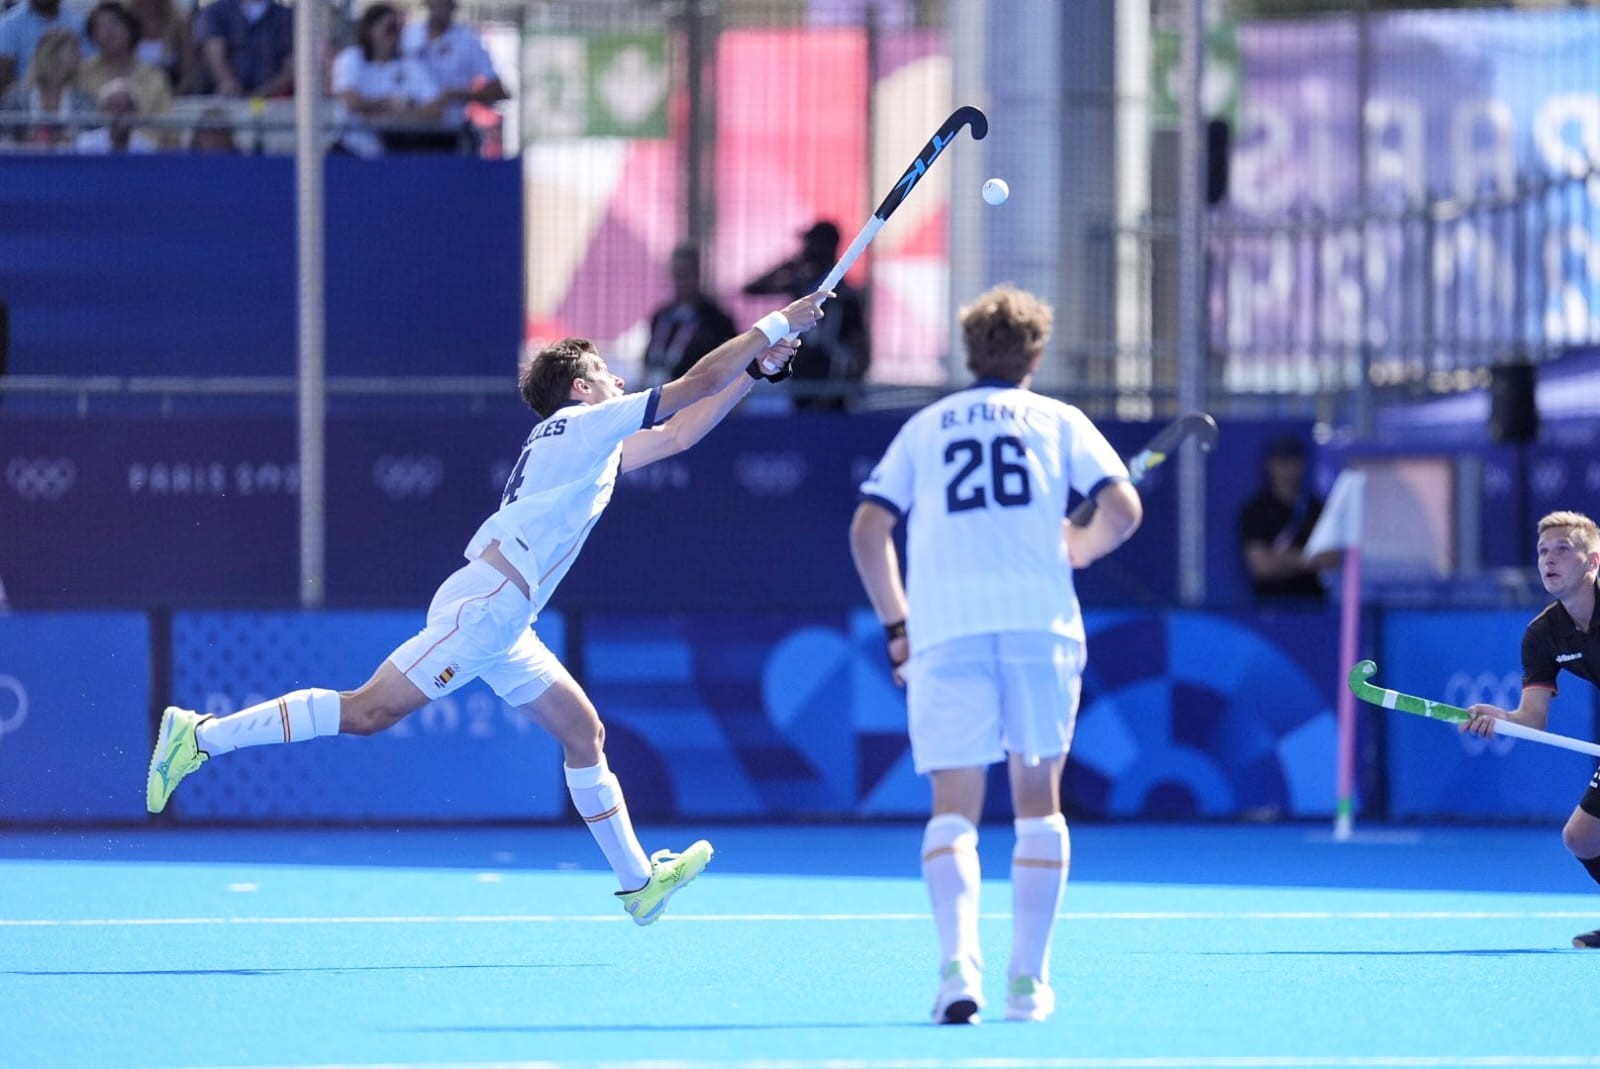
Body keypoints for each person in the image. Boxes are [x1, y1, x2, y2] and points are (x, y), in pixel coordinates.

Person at [146, 289, 830, 926]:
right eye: (604, 371)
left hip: (508, 618)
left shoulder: (591, 446)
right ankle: (201, 735)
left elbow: (682, 431)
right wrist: (773, 323)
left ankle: (637, 884)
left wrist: (759, 370)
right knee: (368, 711)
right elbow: (689, 387)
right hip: (489, 605)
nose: (620, 378)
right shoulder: (583, 423)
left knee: (582, 731)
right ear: (581, 387)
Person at [847, 284, 1142, 1025]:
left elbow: (867, 529)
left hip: (945, 632)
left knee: (955, 808)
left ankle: (956, 971)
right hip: (1040, 628)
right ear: (1036, 354)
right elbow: (1124, 508)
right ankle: (1029, 983)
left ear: (967, 350)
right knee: (1039, 803)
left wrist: (896, 625)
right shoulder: (1060, 419)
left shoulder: (925, 427)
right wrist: (1078, 545)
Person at [1460, 510, 1600, 948]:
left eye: (1563, 550)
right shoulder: (1542, 635)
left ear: (1592, 561)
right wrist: (1501, 720)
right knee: (1581, 838)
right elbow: (1533, 719)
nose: (1549, 560)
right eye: (1543, 551)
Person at [743, 220, 870, 410]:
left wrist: (849, 383)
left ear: (826, 247)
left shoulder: (845, 296)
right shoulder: (802, 287)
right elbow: (752, 289)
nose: (805, 249)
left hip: (831, 387)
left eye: (811, 244)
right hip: (800, 379)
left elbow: (860, 346)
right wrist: (786, 266)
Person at [330, 2, 447, 155]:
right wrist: (396, 103)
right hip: (352, 148)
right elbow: (352, 103)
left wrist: (391, 116)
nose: (396, 35)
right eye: (390, 28)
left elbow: (436, 109)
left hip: (396, 151)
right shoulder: (351, 59)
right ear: (370, 29)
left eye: (399, 29)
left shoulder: (411, 66)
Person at [1237, 433, 1332, 601]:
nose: (1286, 469)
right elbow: (1261, 566)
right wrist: (1307, 559)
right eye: (1280, 462)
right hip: (1271, 605)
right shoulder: (1256, 511)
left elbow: (1331, 558)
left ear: (1302, 464)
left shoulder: (1317, 509)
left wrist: (1281, 558)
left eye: (1291, 461)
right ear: (1269, 465)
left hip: (1314, 604)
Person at [400, 0, 506, 139]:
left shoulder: (468, 40)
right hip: (404, 130)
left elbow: (498, 90)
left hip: (452, 132)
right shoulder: (408, 36)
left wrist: (453, 95)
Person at [640, 242, 738, 387]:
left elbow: (733, 362)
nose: (682, 281)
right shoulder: (661, 316)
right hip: (661, 395)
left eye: (687, 274)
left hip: (699, 397)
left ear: (698, 274)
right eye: (678, 274)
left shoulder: (717, 320)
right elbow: (649, 357)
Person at [77, 2, 171, 137]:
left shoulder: (154, 78)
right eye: (101, 26)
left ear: (130, 28)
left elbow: (168, 129)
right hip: (93, 154)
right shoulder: (81, 74)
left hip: (145, 154)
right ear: (92, 36)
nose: (108, 31)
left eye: (114, 23)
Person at [0, 25, 95, 149]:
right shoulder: (16, 97)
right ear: (51, 54)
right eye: (73, 51)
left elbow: (93, 137)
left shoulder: (83, 98)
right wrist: (23, 141)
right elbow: (4, 136)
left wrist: (71, 138)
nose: (80, 57)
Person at [192, 0, 293, 98]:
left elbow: (292, 64)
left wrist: (262, 94)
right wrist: (228, 82)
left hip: (275, 104)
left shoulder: (288, 16)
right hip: (224, 103)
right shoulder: (214, 12)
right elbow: (213, 54)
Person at [0, 0, 87, 95]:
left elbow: (88, 66)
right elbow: (4, 76)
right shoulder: (9, 24)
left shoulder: (78, 23)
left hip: (73, 97)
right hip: (25, 100)